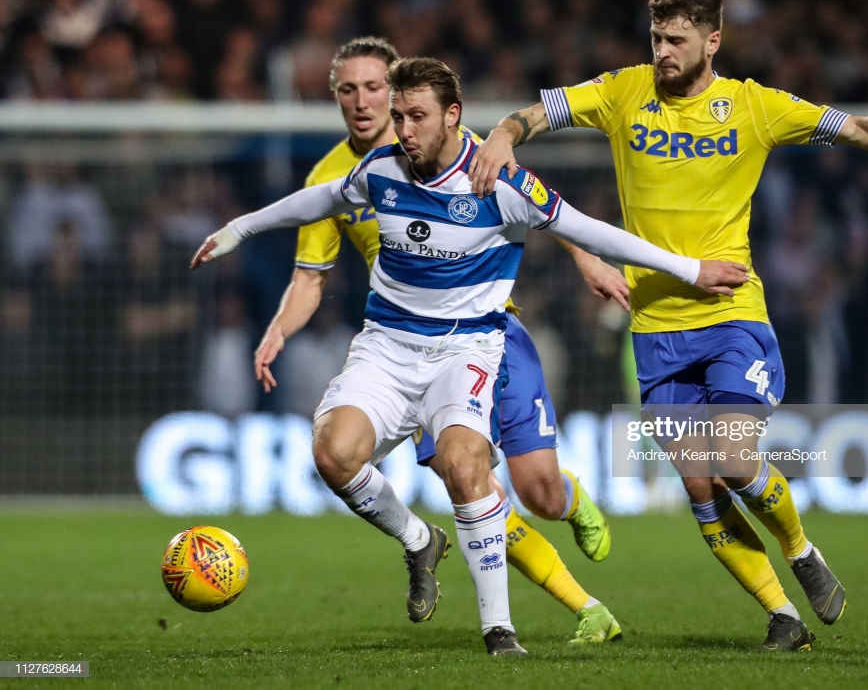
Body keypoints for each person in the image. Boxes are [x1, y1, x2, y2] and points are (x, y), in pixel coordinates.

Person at [468, 0, 868, 651]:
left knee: (733, 459)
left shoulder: (753, 106)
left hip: (732, 312)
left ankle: (800, 549)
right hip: (654, 330)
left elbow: (850, 128)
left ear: (713, 40)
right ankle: (783, 617)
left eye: (676, 40)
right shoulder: (624, 92)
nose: (663, 51)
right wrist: (503, 134)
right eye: (656, 38)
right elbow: (535, 115)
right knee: (699, 481)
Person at [191, 55, 748, 655]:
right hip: (387, 345)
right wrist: (239, 229)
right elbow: (318, 201)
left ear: (452, 116)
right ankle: (418, 541)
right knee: (331, 454)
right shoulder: (381, 169)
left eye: (417, 117)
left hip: (467, 347)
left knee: (468, 466)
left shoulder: (498, 181)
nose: (404, 130)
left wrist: (689, 269)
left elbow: (588, 229)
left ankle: (499, 629)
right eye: (398, 116)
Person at [254, 36, 629, 643]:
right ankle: (582, 608)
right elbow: (310, 276)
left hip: (493, 330)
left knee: (538, 493)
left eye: (376, 87)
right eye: (348, 90)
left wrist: (586, 259)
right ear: (335, 98)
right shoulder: (340, 177)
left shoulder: (457, 145)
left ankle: (570, 498)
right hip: (408, 346)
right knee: (471, 483)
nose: (364, 101)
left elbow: (533, 202)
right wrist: (278, 328)